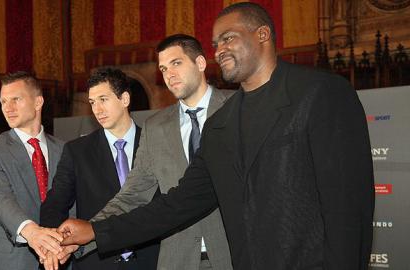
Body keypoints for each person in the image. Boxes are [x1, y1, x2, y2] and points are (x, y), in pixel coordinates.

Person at [58, 2, 375, 270]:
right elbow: (178, 204)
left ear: (262, 34)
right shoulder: (221, 124)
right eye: (216, 44)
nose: (219, 50)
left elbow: (348, 212)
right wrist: (95, 231)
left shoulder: (321, 94)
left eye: (229, 38)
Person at [60, 34, 233, 270]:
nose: (169, 74)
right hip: (177, 260)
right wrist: (88, 235)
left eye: (176, 63)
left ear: (201, 63)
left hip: (233, 254)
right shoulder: (155, 127)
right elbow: (132, 195)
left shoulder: (236, 109)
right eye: (163, 68)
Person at [40, 68, 160, 270]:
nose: (97, 110)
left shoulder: (156, 144)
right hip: (97, 262)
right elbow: (55, 202)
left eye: (103, 99)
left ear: (124, 99)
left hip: (152, 260)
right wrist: (51, 242)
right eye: (93, 102)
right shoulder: (77, 151)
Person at [0, 71, 65, 270]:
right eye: (3, 101)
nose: (8, 108)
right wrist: (31, 232)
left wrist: (66, 241)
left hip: (59, 258)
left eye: (16, 99)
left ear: (38, 102)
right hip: (5, 260)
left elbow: (73, 203)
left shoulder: (65, 150)